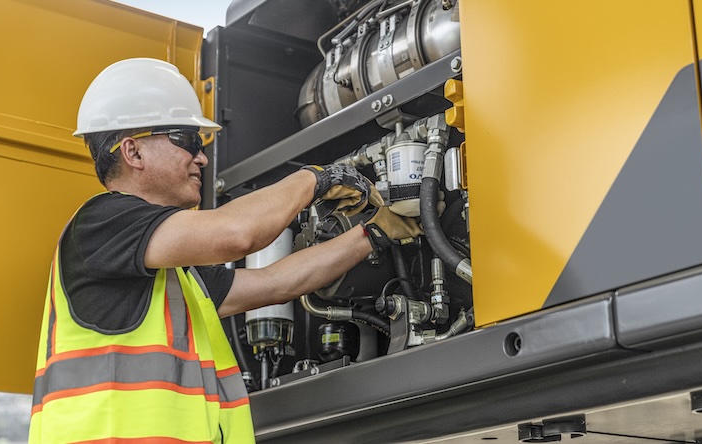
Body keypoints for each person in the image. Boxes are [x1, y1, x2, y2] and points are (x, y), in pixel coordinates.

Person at [28, 58, 421, 443]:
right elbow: (237, 233)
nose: (201, 156)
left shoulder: (176, 275)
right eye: (186, 140)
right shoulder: (101, 223)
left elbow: (276, 282)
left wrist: (374, 232)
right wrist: (317, 178)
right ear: (133, 152)